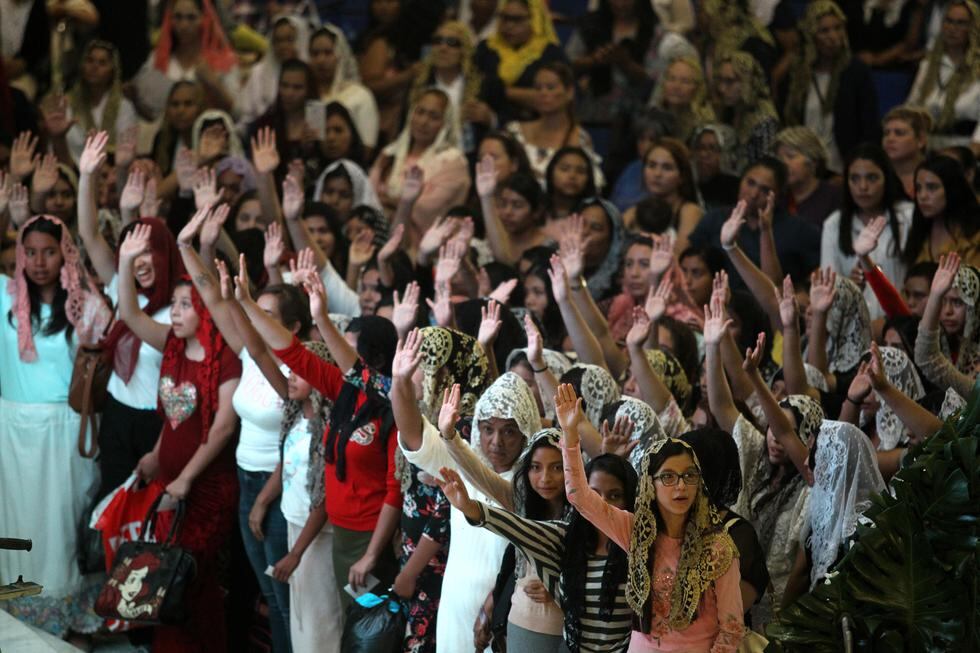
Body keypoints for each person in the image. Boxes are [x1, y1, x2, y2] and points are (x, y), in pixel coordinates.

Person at [238, 264, 402, 607]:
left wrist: (372, 554)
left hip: (370, 538)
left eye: (351, 349)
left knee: (369, 629)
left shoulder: (394, 409)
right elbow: (293, 353)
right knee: (347, 624)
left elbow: (394, 491)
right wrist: (249, 307)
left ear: (376, 358)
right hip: (340, 531)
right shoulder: (343, 390)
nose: (342, 355)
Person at [117, 224, 242, 652]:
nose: (175, 311)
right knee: (167, 579)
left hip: (206, 489)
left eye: (186, 305)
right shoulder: (172, 344)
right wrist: (155, 455)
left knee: (190, 579)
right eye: (173, 303)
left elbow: (223, 426)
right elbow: (131, 315)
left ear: (205, 312)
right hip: (169, 485)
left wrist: (186, 478)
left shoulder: (226, 358)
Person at [556, 384, 745, 650]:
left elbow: (731, 630)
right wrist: (569, 433)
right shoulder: (636, 532)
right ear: (650, 486)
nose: (680, 486)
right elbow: (580, 497)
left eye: (688, 476)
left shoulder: (717, 547)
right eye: (668, 477)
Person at [0, 215, 111, 643]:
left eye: (49, 251)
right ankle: (20, 609)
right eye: (30, 252)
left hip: (67, 432)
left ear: (65, 253)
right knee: (19, 524)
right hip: (13, 430)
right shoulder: (5, 299)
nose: (39, 261)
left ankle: (71, 616)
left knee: (64, 525)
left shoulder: (89, 305)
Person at [393, 334, 537, 653]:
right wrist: (400, 383)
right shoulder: (462, 460)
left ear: (525, 430)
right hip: (455, 611)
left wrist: (454, 443)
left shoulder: (534, 479)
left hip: (502, 614)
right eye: (488, 429)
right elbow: (414, 435)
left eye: (509, 431)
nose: (496, 441)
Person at [436, 451, 639, 652]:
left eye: (614, 495)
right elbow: (517, 528)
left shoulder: (640, 548)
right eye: (594, 494)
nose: (602, 504)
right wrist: (470, 507)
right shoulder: (566, 536)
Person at [75, 133, 184, 499]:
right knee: (113, 506)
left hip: (159, 425)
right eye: (131, 259)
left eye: (147, 255)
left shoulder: (180, 308)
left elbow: (138, 322)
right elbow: (89, 235)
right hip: (118, 416)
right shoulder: (126, 289)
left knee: (154, 514)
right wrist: (87, 175)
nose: (138, 267)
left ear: (165, 254)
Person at [781, 0, 880, 174]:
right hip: (804, 167)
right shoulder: (798, 74)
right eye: (824, 31)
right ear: (811, 35)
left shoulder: (856, 72)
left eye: (838, 28)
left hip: (844, 168)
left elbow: (869, 130)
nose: (833, 37)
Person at [690, 159, 821, 288]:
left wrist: (803, 292)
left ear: (778, 195)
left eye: (765, 190)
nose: (753, 194)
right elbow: (688, 262)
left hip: (773, 304)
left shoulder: (797, 229)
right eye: (750, 183)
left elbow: (818, 271)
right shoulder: (714, 219)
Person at [821, 144, 914, 321]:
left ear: (886, 178)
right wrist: (848, 285)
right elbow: (828, 285)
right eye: (854, 178)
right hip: (854, 325)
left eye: (872, 178)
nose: (862, 186)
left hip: (901, 323)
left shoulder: (908, 216)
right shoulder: (834, 223)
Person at [370, 88, 470, 239]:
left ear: (446, 123)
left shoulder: (453, 162)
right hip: (376, 234)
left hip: (422, 245)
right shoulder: (389, 153)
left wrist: (390, 202)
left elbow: (426, 209)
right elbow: (369, 195)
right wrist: (399, 203)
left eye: (433, 117)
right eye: (420, 112)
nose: (423, 122)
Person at [132, 0, 238, 120]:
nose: (184, 25)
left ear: (205, 19)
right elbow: (151, 114)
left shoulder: (223, 60)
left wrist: (214, 84)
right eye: (178, 17)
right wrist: (135, 99)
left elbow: (237, 113)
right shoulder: (157, 59)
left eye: (191, 18)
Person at [506, 62, 603, 186]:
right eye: (538, 88)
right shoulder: (514, 131)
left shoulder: (580, 138)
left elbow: (591, 185)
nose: (543, 93)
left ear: (569, 92)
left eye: (550, 87)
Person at [473, 0, 566, 120]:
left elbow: (556, 98)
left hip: (534, 124)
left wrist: (503, 92)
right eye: (504, 18)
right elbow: (472, 88)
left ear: (534, 19)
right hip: (486, 124)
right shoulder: (486, 48)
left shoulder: (549, 52)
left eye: (517, 20)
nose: (508, 26)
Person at [908, 0, 980, 153]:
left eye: (961, 23)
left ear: (973, 28)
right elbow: (912, 108)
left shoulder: (978, 69)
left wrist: (971, 154)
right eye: (949, 21)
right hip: (928, 148)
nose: (952, 28)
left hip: (966, 150)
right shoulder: (928, 66)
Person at [57, 40, 137, 166]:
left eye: (102, 63)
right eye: (90, 61)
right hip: (73, 169)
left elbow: (125, 149)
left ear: (113, 71)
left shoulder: (124, 107)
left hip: (111, 171)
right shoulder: (67, 103)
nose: (94, 67)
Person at [915, 253, 980, 397]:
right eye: (942, 301)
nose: (947, 311)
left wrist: (935, 295)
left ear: (975, 307)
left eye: (957, 302)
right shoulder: (945, 344)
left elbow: (927, 359)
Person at [622, 137, 703, 253]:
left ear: (682, 176)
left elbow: (680, 256)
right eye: (652, 165)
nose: (657, 174)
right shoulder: (633, 212)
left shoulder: (690, 212)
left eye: (667, 168)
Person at [311, 24, 380, 152]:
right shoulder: (307, 96)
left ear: (340, 55)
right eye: (315, 54)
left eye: (328, 53)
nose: (320, 60)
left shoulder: (360, 95)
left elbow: (367, 147)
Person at [710, 50, 779, 174]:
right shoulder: (728, 110)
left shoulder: (764, 122)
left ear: (747, 81)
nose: (722, 88)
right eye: (720, 80)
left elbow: (764, 171)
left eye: (729, 81)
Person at [903, 154, 980, 266]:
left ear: (952, 189)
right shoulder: (917, 233)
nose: (922, 196)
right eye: (918, 188)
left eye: (932, 187)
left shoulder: (975, 235)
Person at [238, 15, 310, 129]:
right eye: (278, 41)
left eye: (289, 39)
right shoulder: (258, 73)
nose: (283, 46)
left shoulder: (310, 73)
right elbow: (245, 116)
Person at [773, 126, 842, 227]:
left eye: (791, 156)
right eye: (779, 158)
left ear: (813, 161)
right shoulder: (776, 197)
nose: (783, 163)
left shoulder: (834, 198)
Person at [648, 56, 715, 143]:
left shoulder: (704, 126)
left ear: (697, 88)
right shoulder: (652, 117)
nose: (676, 86)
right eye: (672, 79)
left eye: (685, 81)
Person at [881, 106, 932, 199]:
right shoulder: (877, 177)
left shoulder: (937, 176)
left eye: (899, 133)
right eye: (886, 133)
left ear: (921, 140)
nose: (890, 139)